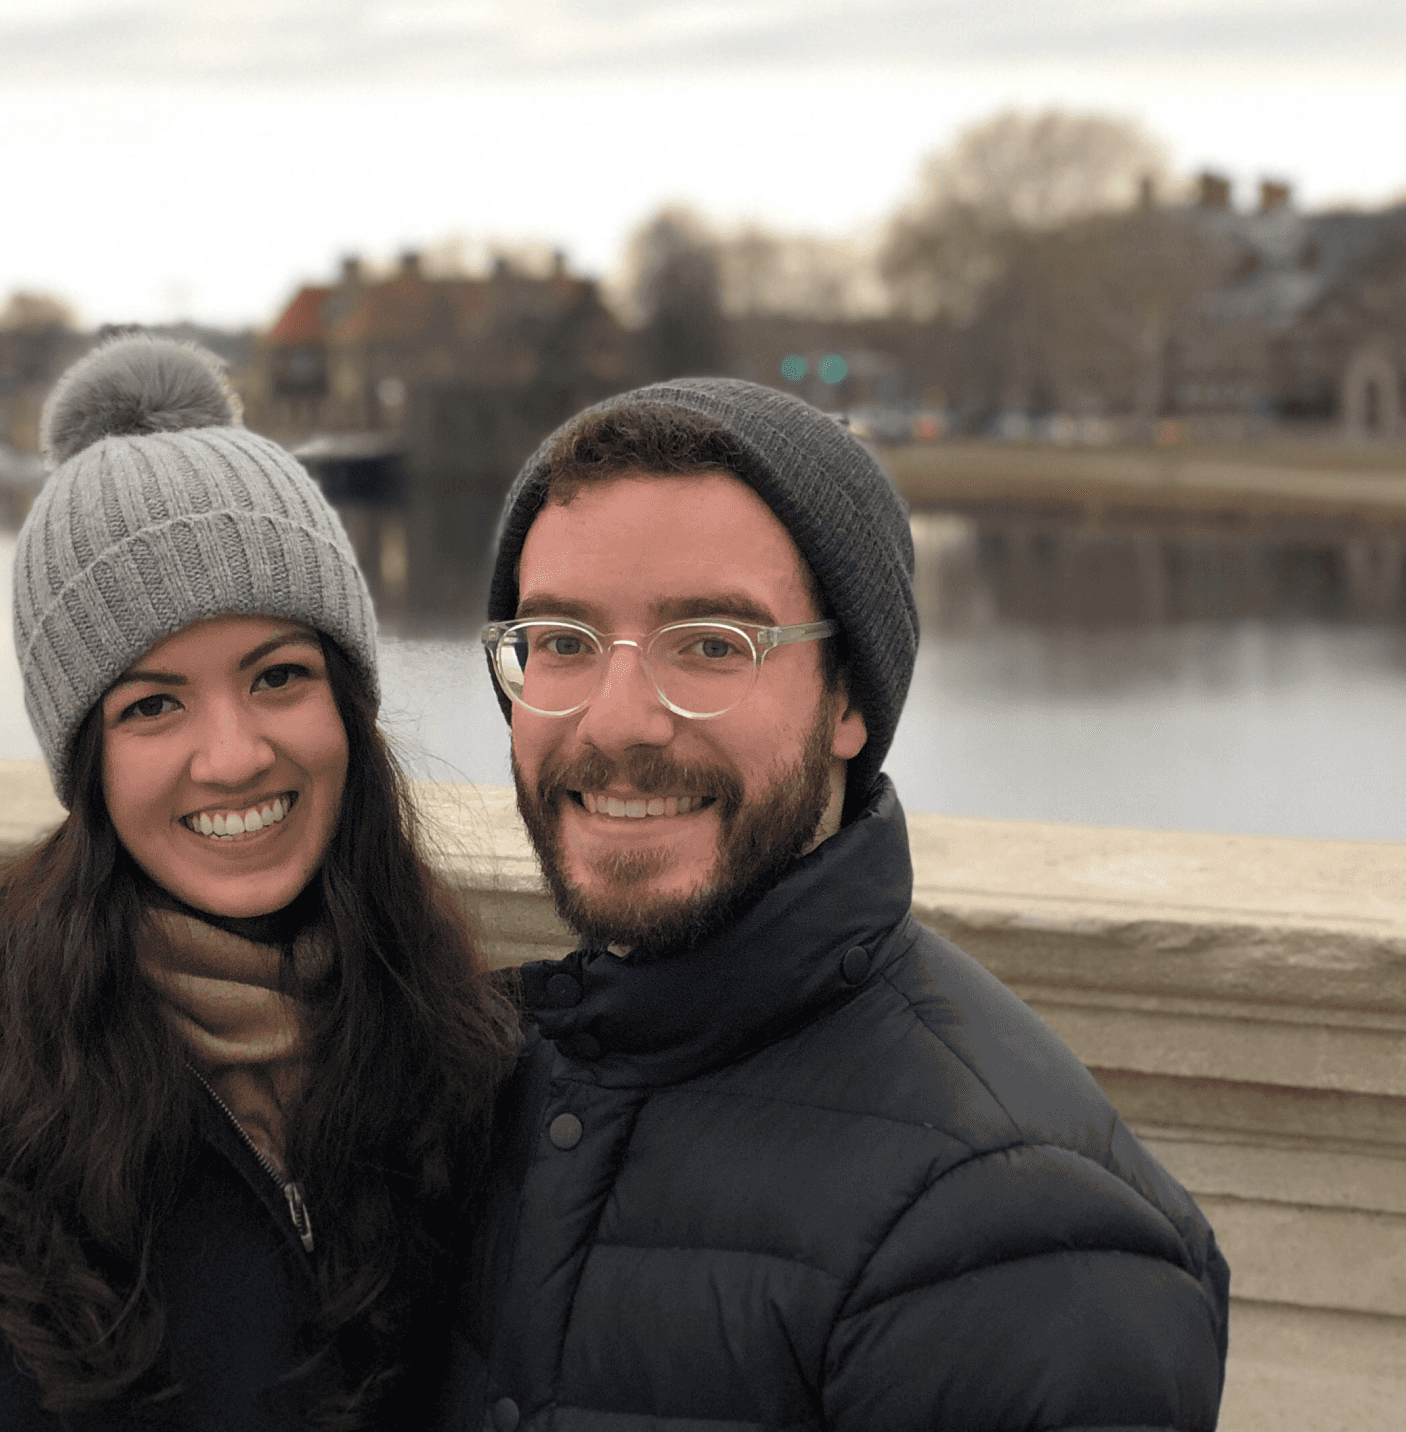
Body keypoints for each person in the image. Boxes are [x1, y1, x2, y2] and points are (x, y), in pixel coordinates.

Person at [0, 336, 519, 1430]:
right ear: (88, 765)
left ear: (348, 709)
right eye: (153, 705)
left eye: (280, 676)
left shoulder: (462, 1053)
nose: (235, 756)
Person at [446, 378, 1229, 1432]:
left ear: (851, 696)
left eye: (711, 644)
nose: (617, 721)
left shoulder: (1016, 1246)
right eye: (561, 641)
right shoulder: (495, 1082)